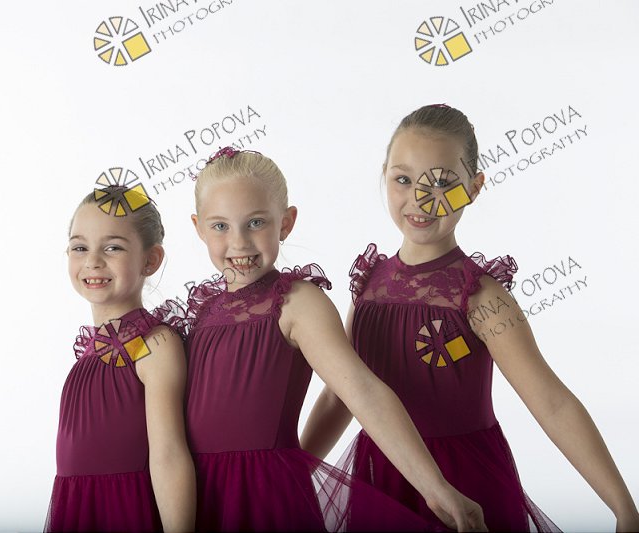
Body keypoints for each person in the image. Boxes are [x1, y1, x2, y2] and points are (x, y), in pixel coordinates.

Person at [300, 104, 639, 532]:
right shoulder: (370, 286)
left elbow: (551, 403)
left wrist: (623, 507)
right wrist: (297, 474)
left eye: (443, 183)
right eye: (403, 179)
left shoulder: (479, 296)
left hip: (467, 477)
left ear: (474, 188)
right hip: (384, 476)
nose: (420, 199)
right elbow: (340, 395)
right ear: (384, 175)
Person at [162, 147, 486, 531]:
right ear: (198, 227)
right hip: (196, 495)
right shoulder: (201, 312)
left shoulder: (297, 303)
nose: (240, 243)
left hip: (266, 497)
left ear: (286, 223)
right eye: (220, 226)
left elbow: (361, 390)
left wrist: (434, 488)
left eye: (256, 222)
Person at [45, 186, 195, 532]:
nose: (93, 261)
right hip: (78, 509)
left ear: (150, 260)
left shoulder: (154, 345)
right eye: (80, 247)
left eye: (112, 247)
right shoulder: (89, 353)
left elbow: (168, 456)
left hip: (126, 510)